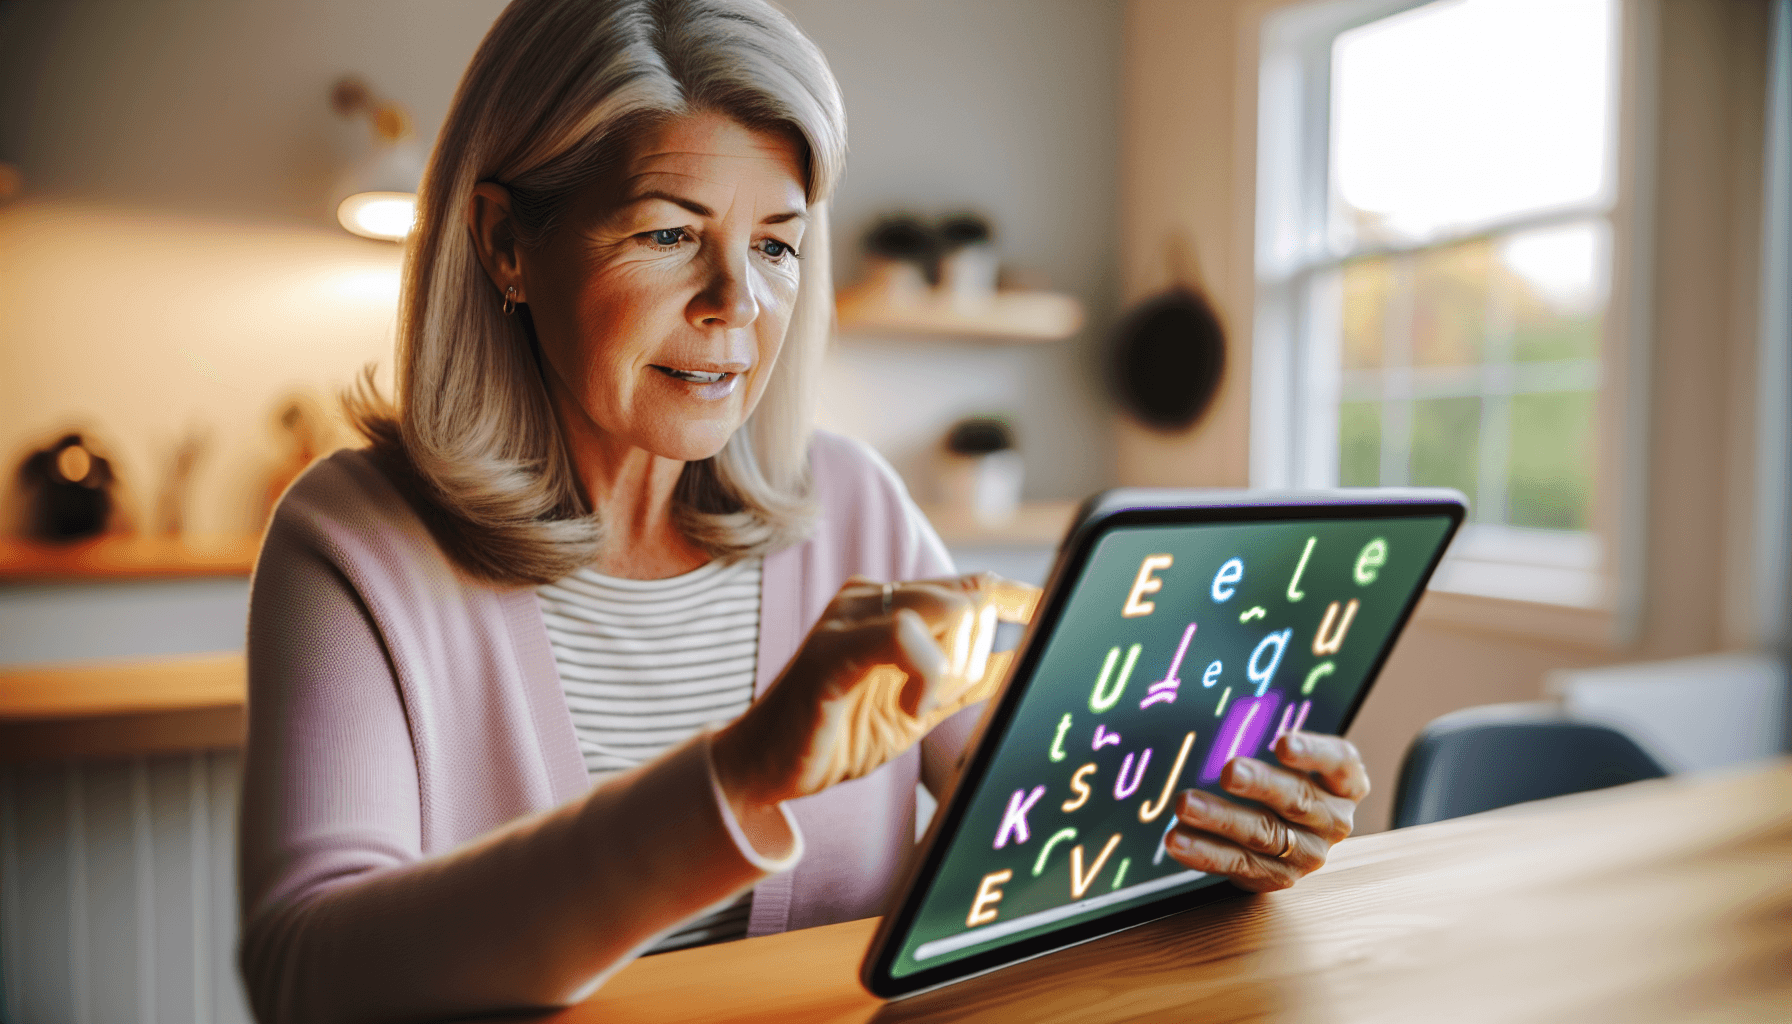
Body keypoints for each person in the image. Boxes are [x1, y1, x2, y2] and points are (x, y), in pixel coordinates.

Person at [237, 1, 1372, 1021]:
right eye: (670, 232)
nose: (738, 303)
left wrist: (1224, 816)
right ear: (503, 243)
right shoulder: (353, 540)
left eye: (774, 244)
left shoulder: (853, 504)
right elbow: (307, 974)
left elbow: (1052, 818)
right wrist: (733, 782)